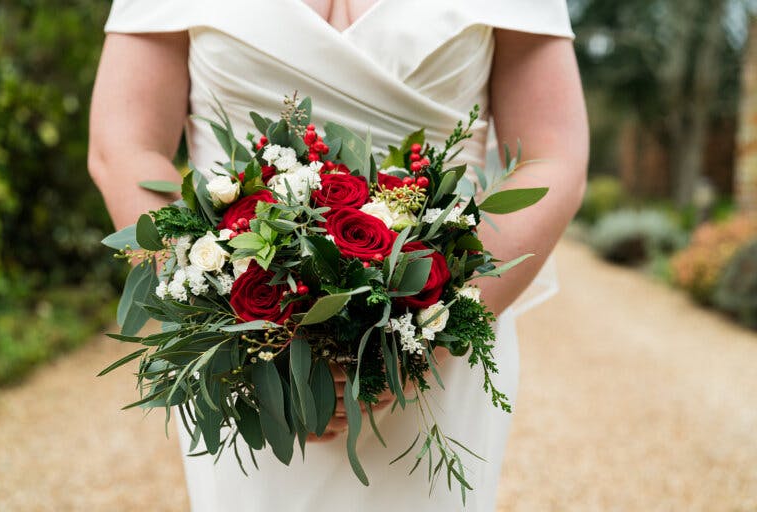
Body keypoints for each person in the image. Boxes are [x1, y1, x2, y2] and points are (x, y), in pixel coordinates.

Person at [88, 1, 588, 510]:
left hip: (437, 347)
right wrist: (219, 313)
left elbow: (553, 156)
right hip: (247, 353)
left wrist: (425, 337)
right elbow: (124, 146)